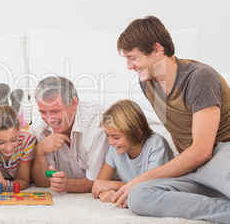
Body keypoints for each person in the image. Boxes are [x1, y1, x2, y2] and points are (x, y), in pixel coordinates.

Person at [114, 16, 230, 223]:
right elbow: (177, 129)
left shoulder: (199, 78)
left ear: (157, 49)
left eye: (133, 58)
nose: (129, 66)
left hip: (221, 154)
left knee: (141, 183)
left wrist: (143, 177)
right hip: (196, 167)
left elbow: (203, 150)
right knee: (139, 196)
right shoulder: (147, 82)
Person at [30, 76, 109, 193]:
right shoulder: (39, 128)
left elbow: (98, 181)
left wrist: (67, 185)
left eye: (55, 111)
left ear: (73, 103)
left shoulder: (98, 124)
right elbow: (43, 183)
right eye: (43, 112)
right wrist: (40, 151)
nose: (49, 119)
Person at [91, 99, 173, 203]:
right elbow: (99, 183)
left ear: (138, 134)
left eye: (116, 137)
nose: (111, 142)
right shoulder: (115, 148)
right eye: (107, 135)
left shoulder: (156, 145)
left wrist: (113, 185)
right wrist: (103, 193)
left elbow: (151, 189)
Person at [0, 105, 36, 192]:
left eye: (14, 140)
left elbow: (24, 181)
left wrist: (7, 186)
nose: (8, 148)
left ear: (19, 130)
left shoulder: (27, 140)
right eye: (1, 142)